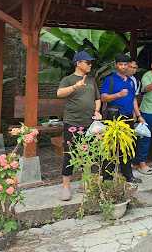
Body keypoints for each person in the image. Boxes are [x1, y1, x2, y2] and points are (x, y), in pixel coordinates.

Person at [56, 51, 102, 201]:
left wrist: (97, 111)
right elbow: (59, 93)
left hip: (89, 123)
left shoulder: (91, 80)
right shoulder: (68, 79)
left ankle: (85, 183)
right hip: (72, 123)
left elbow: (97, 98)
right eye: (87, 62)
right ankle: (65, 187)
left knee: (88, 153)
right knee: (70, 154)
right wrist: (75, 86)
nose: (90, 64)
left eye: (91, 62)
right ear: (78, 63)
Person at [100, 54, 145, 183]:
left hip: (128, 117)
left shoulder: (131, 81)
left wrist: (139, 115)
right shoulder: (110, 80)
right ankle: (107, 177)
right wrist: (118, 95)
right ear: (116, 65)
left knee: (127, 147)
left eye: (126, 64)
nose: (123, 67)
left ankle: (128, 176)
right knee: (111, 147)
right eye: (121, 64)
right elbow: (103, 97)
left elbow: (133, 100)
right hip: (114, 116)